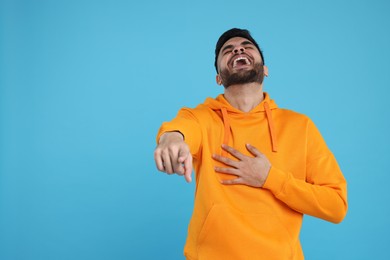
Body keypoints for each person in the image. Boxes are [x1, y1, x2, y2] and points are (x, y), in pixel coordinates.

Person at [154, 28, 348, 260]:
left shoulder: (300, 126)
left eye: (246, 46)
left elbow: (336, 206)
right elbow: (180, 128)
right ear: (219, 77)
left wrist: (270, 178)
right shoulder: (202, 118)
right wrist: (171, 139)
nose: (237, 49)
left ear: (264, 70)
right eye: (228, 50)